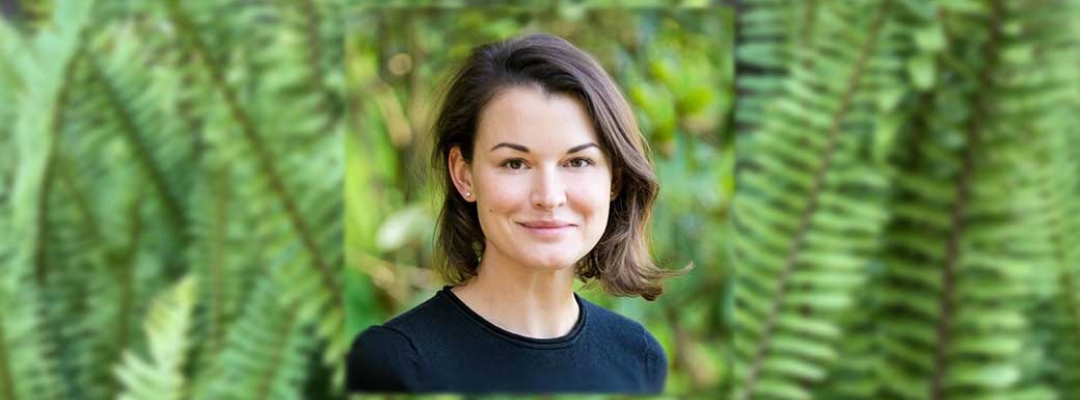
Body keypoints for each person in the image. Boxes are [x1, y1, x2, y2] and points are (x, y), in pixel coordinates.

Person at [347, 33, 682, 394]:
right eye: (515, 163)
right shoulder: (392, 361)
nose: (549, 197)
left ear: (614, 179)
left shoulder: (638, 358)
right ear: (464, 174)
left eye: (578, 161)